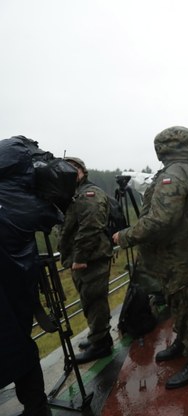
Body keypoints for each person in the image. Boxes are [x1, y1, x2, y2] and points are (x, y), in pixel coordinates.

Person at [113, 126, 188, 390]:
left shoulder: (176, 172)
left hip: (181, 255)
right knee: (180, 303)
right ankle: (183, 343)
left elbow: (162, 219)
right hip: (182, 253)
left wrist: (126, 236)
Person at [0, 137, 59, 416]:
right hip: (20, 291)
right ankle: (37, 408)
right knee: (22, 346)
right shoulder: (26, 202)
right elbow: (53, 215)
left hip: (10, 292)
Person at [59, 156, 114, 364]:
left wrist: (80, 257)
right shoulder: (74, 194)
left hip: (91, 258)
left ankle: (101, 345)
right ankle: (99, 336)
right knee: (89, 300)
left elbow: (91, 226)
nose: (70, 172)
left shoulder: (88, 193)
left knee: (94, 300)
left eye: (74, 168)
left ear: (82, 171)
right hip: (83, 258)